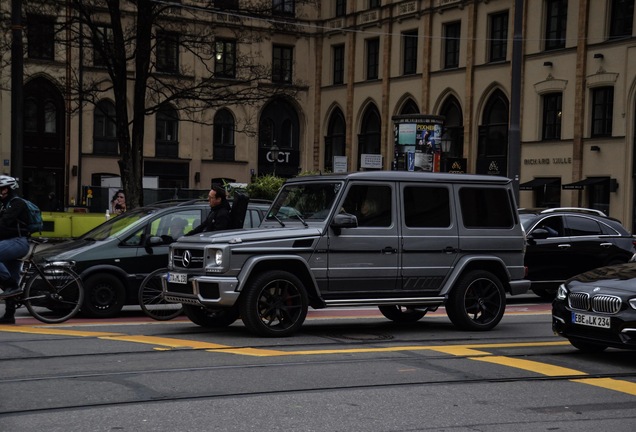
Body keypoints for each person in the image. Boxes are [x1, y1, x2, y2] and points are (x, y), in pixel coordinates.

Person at [0, 175, 31, 324]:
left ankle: (11, 285)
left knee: (10, 283)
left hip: (19, 243)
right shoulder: (4, 204)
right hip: (8, 244)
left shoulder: (17, 203)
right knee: (11, 277)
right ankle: (9, 315)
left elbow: (4, 222)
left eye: (0, 189)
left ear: (7, 189)